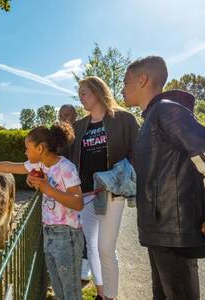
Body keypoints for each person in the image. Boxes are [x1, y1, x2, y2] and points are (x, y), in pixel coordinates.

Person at [122, 55, 205, 299]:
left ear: (142, 80)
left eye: (125, 82)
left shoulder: (167, 111)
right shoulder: (152, 117)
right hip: (159, 233)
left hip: (173, 235)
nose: (121, 89)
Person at [0, 122, 84, 300]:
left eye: (27, 148)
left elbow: (78, 203)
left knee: (71, 292)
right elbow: (9, 166)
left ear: (40, 148)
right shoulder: (39, 165)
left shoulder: (66, 168)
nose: (25, 152)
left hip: (67, 235)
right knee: (58, 288)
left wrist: (47, 188)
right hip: (49, 231)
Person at [70, 76, 139, 300]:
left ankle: (111, 296)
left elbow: (136, 155)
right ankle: (101, 292)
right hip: (86, 196)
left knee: (106, 248)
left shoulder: (124, 120)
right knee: (91, 247)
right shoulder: (79, 126)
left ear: (98, 92)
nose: (81, 97)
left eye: (84, 93)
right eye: (79, 93)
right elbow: (67, 158)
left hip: (111, 194)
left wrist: (121, 180)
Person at [58, 104, 92, 286]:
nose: (65, 118)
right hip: (64, 190)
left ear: (75, 115)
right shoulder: (57, 136)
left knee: (84, 225)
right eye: (61, 115)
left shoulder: (83, 131)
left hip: (82, 187)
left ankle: (85, 266)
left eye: (68, 114)